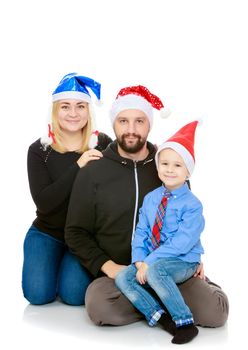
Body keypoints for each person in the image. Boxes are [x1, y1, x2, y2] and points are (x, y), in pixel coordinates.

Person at [65, 85, 229, 328]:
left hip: (168, 267)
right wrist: (110, 268)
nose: (131, 129)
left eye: (139, 121)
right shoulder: (94, 170)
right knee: (101, 307)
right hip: (122, 272)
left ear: (149, 124)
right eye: (123, 121)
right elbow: (75, 232)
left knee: (215, 312)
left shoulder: (168, 166)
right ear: (114, 124)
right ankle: (164, 305)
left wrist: (193, 257)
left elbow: (188, 220)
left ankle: (156, 301)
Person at [22, 73, 112, 306]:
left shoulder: (102, 144)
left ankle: (68, 267)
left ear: (88, 110)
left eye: (80, 106)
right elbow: (45, 203)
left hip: (84, 236)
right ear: (55, 110)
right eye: (66, 106)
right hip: (47, 233)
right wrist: (78, 166)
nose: (73, 113)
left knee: (73, 296)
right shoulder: (39, 150)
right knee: (38, 296)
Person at [115, 121, 204, 344]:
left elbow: (181, 244)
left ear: (188, 171)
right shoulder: (152, 198)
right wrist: (138, 261)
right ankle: (161, 317)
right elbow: (142, 232)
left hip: (183, 260)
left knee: (155, 272)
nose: (169, 170)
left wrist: (149, 262)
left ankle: (185, 322)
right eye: (165, 163)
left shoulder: (193, 205)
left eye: (177, 165)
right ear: (158, 166)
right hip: (152, 260)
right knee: (124, 277)